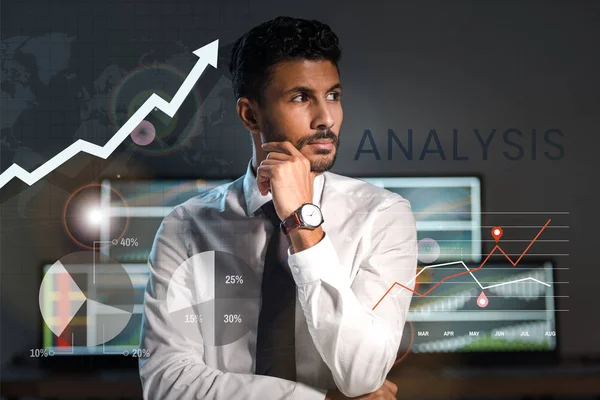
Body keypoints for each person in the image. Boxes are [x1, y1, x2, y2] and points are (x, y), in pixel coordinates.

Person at [138, 16, 417, 400]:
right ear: (250, 115)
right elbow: (168, 384)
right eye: (301, 98)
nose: (326, 119)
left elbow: (364, 374)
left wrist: (303, 223)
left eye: (333, 95)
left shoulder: (383, 216)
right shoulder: (185, 228)